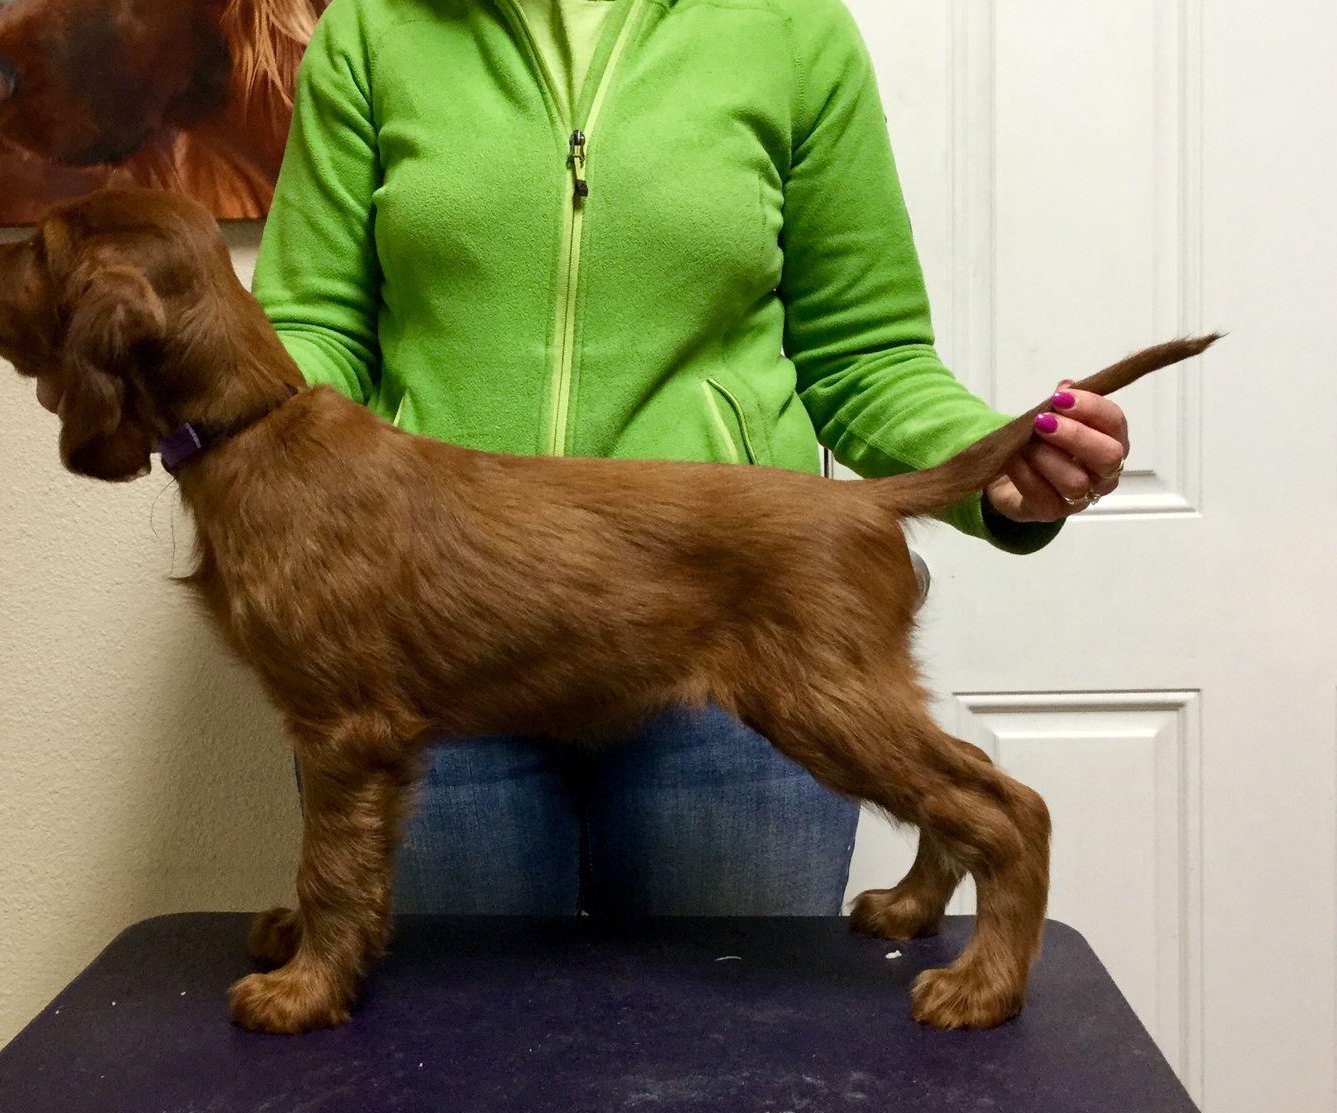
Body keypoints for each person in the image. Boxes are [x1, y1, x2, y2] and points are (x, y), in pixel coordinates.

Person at [248, 0, 1131, 916]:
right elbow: (316, 326)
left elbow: (865, 354)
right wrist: (216, 398)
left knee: (733, 1008)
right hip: (437, 633)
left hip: (728, 615)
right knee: (457, 1012)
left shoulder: (791, 28)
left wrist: (992, 462)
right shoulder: (371, 27)